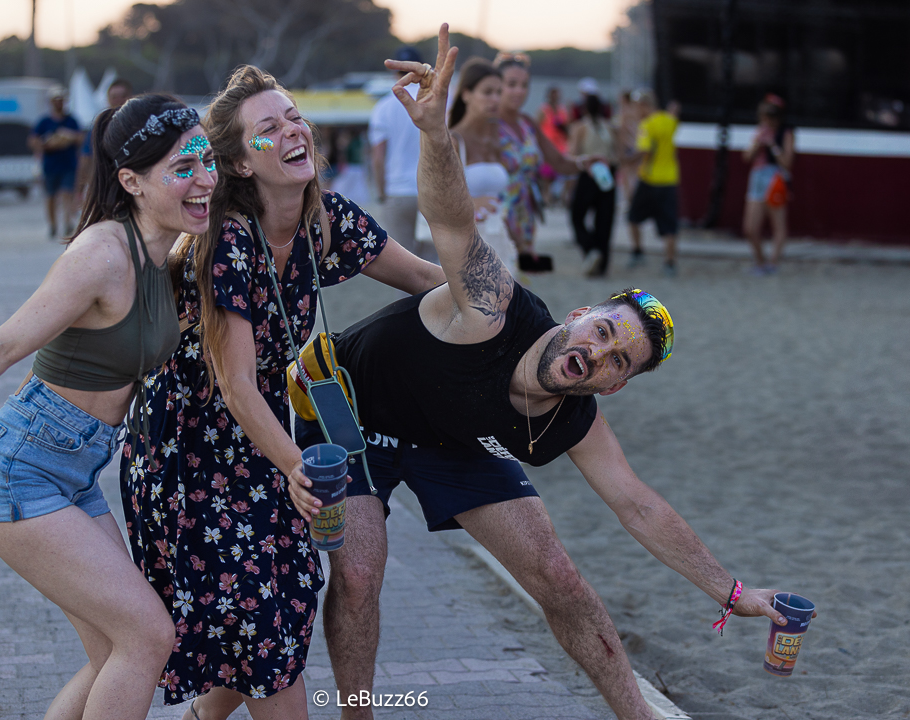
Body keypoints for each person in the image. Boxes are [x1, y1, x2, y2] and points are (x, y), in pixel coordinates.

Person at [289, 26, 812, 720]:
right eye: (603, 332)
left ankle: (639, 715)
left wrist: (733, 592)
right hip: (351, 413)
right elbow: (449, 219)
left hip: (452, 440)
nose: (598, 352)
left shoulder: (575, 415)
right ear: (579, 313)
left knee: (561, 578)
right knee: (358, 574)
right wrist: (437, 133)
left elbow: (638, 503)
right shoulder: (493, 307)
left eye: (617, 359)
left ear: (614, 384)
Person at [0, 94, 214, 720]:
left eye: (205, 162)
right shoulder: (103, 254)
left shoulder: (168, 254)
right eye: (182, 170)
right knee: (147, 637)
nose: (204, 181)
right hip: (17, 470)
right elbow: (4, 341)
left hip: (75, 472)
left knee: (115, 648)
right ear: (131, 181)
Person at [120, 65, 443, 720]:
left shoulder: (325, 221)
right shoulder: (227, 242)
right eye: (269, 127)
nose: (293, 130)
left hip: (262, 449)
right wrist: (296, 470)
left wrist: (521, 315)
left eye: (294, 116)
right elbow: (235, 383)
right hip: (189, 458)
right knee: (262, 641)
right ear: (238, 163)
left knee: (281, 613)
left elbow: (425, 280)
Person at [495, 52, 583, 273]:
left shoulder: (527, 123)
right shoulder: (485, 125)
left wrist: (586, 163)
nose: (519, 91)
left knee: (516, 287)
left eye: (524, 85)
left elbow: (558, 161)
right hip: (495, 216)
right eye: (511, 84)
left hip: (524, 213)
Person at [447, 59, 518, 276]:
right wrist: (472, 202)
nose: (495, 99)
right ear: (466, 94)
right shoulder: (453, 140)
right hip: (465, 244)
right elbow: (435, 195)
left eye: (499, 92)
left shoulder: (495, 138)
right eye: (487, 92)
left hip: (498, 238)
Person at [369, 46, 436, 263]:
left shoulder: (383, 107)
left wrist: (381, 193)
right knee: (434, 264)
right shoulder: (433, 103)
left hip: (397, 191)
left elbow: (378, 158)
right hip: (431, 189)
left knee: (406, 267)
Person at [625, 90, 681, 276]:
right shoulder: (669, 121)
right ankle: (670, 262)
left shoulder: (647, 124)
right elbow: (673, 118)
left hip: (649, 179)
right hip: (670, 178)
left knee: (633, 217)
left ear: (645, 106)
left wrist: (628, 161)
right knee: (669, 225)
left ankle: (637, 251)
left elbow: (644, 150)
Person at [743, 94, 794, 274]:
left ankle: (772, 263)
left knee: (778, 224)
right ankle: (761, 262)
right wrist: (758, 143)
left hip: (775, 178)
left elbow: (787, 162)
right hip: (757, 176)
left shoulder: (785, 133)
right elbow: (747, 157)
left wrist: (772, 145)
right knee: (750, 228)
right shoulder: (759, 131)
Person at [569, 93, 619, 277]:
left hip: (588, 173)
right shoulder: (611, 127)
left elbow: (573, 154)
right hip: (608, 172)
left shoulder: (580, 127)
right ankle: (602, 262)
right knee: (605, 220)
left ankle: (590, 248)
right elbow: (618, 154)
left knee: (577, 216)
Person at [30, 85, 82, 238]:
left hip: (68, 163)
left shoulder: (71, 120)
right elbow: (33, 141)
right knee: (51, 197)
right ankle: (52, 224)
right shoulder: (44, 122)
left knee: (67, 194)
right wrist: (47, 143)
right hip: (51, 165)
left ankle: (67, 223)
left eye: (61, 100)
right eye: (56, 100)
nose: (59, 103)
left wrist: (68, 137)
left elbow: (80, 138)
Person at [79, 78, 134, 199]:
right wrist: (85, 185)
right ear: (108, 99)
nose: (119, 100)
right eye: (114, 97)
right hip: (106, 184)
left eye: (123, 96)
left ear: (131, 97)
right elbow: (86, 157)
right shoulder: (99, 127)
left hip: (133, 184)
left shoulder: (140, 125)